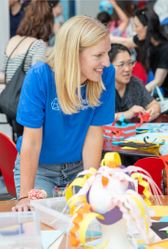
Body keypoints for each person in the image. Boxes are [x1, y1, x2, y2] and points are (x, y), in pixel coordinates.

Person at [12, 16, 115, 212]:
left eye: (107, 53)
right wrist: (25, 196)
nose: (107, 63)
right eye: (99, 55)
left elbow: (93, 136)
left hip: (79, 167)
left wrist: (89, 185)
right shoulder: (40, 76)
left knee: (85, 221)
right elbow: (32, 142)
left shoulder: (105, 76)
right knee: (42, 225)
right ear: (74, 53)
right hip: (41, 171)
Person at [1, 0, 54, 140]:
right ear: (47, 22)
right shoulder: (38, 45)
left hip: (9, 106)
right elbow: (39, 78)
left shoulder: (13, 40)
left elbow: (3, 73)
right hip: (26, 107)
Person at [115, 8, 168, 98]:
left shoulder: (167, 48)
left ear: (147, 28)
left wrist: (135, 95)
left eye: (137, 26)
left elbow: (158, 81)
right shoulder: (146, 40)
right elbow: (125, 42)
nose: (135, 30)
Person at [109, 43, 160, 121]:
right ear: (108, 66)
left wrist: (153, 111)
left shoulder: (135, 83)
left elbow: (153, 104)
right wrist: (127, 114)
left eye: (130, 63)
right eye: (121, 64)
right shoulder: (102, 87)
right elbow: (99, 118)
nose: (127, 69)